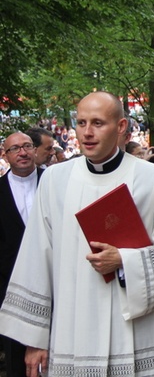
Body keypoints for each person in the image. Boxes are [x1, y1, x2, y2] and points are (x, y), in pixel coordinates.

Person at [0, 91, 154, 377]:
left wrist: (125, 261)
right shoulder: (55, 180)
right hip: (73, 328)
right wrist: (35, 339)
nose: (87, 133)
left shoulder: (153, 179)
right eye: (81, 123)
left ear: (120, 127)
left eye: (98, 123)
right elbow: (36, 258)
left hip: (134, 328)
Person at [0, 132, 43, 376]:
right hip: (10, 292)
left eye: (27, 146)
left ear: (35, 150)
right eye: (15, 149)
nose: (23, 153)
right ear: (5, 155)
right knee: (18, 363)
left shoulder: (54, 182)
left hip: (56, 285)